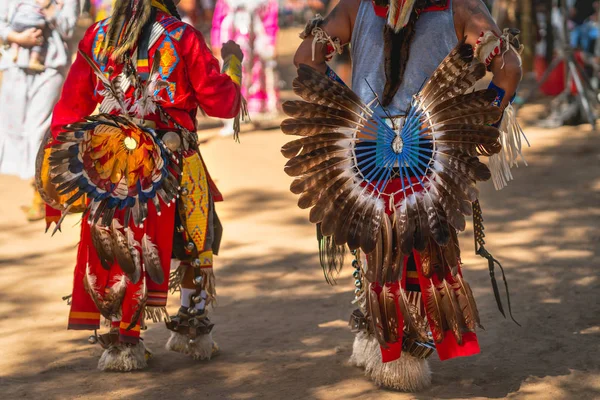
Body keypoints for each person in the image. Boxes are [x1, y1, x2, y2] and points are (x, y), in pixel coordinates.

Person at [293, 0, 523, 391]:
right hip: (429, 151)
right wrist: (479, 120)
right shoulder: (462, 10)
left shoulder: (357, 7)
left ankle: (381, 342)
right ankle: (403, 356)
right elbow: (510, 69)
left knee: (377, 246)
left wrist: (351, 113)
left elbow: (306, 58)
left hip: (363, 152)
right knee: (420, 246)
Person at [39, 0, 245, 371]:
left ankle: (121, 344)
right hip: (170, 162)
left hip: (111, 166)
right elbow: (222, 101)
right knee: (197, 238)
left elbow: (70, 108)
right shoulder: (181, 36)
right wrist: (232, 62)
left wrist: (67, 157)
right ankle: (192, 331)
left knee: (118, 242)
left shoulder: (99, 35)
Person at [0, 0, 79, 221]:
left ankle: (44, 197)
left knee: (39, 131)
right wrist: (17, 38)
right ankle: (37, 191)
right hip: (15, 66)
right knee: (16, 129)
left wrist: (48, 7)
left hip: (50, 68)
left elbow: (69, 29)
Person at [211, 0, 279, 134]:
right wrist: (216, 41)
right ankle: (231, 118)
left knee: (257, 75)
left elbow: (271, 21)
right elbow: (218, 20)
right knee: (231, 76)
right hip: (231, 38)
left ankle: (256, 112)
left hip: (258, 40)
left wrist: (271, 42)